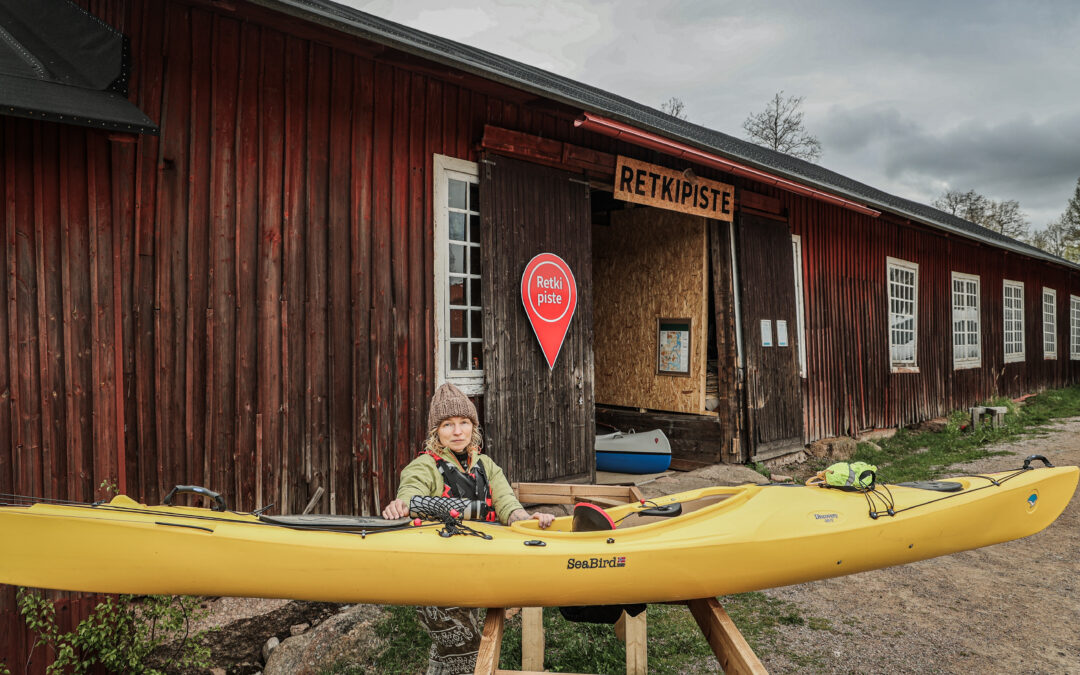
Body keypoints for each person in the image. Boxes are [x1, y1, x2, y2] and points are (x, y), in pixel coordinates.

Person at [382, 382, 553, 675]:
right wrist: (401, 504)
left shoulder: (486, 465)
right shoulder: (424, 465)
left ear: (473, 428)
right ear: (436, 431)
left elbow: (506, 503)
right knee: (467, 650)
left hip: (480, 569)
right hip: (438, 575)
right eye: (448, 424)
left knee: (452, 647)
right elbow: (410, 491)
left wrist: (527, 518)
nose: (457, 431)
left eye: (464, 423)